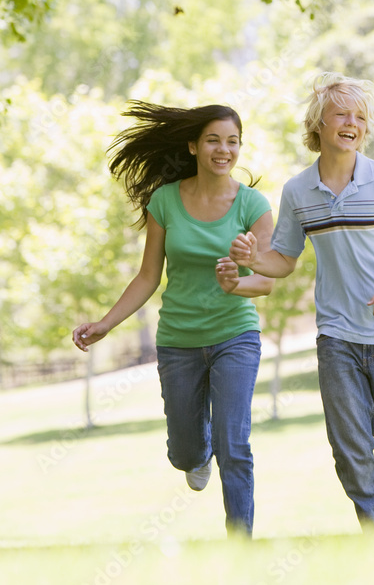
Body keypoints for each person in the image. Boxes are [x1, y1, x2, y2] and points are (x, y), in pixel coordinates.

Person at [229, 73, 374, 532]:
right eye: (342, 113)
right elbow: (283, 260)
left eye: (360, 117)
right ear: (318, 124)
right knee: (349, 446)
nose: (352, 123)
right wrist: (252, 260)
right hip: (337, 335)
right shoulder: (299, 191)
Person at [72, 101, 274, 538]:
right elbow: (148, 276)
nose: (224, 149)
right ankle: (195, 453)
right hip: (179, 340)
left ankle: (241, 543)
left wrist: (236, 282)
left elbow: (266, 282)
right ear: (194, 146)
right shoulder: (164, 201)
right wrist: (107, 324)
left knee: (234, 444)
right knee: (184, 452)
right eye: (214, 140)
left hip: (235, 334)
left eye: (233, 141)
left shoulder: (253, 205)